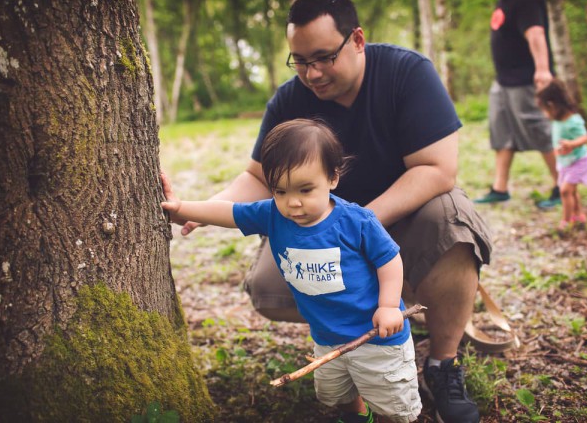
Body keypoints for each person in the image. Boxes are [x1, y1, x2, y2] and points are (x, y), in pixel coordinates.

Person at [166, 0, 491, 422]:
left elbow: (437, 169)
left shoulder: (407, 73)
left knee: (452, 220)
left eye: (323, 57)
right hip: (323, 226)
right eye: (300, 61)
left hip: (403, 219)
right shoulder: (288, 99)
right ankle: (374, 319)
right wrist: (201, 210)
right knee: (267, 290)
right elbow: (257, 177)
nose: (312, 73)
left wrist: (356, 224)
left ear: (357, 39)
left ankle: (442, 360)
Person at [162, 119, 422, 423]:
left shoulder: (356, 222)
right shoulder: (272, 214)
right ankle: (355, 416)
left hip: (377, 335)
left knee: (392, 400)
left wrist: (389, 305)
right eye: (280, 191)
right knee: (339, 392)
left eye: (305, 189)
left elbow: (389, 259)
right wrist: (181, 209)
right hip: (327, 335)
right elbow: (229, 212)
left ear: (333, 177)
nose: (293, 202)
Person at [474, 0, 561, 209]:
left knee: (539, 130)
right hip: (504, 80)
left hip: (525, 80)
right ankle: (500, 188)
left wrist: (542, 69)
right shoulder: (505, 0)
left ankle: (563, 185)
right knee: (502, 132)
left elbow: (536, 34)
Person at [536, 80, 587, 229]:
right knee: (572, 192)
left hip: (579, 161)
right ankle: (579, 216)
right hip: (565, 161)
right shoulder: (557, 121)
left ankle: (566, 222)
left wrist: (571, 144)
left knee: (565, 191)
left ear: (553, 105)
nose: (545, 114)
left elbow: (585, 137)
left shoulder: (573, 120)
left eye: (546, 109)